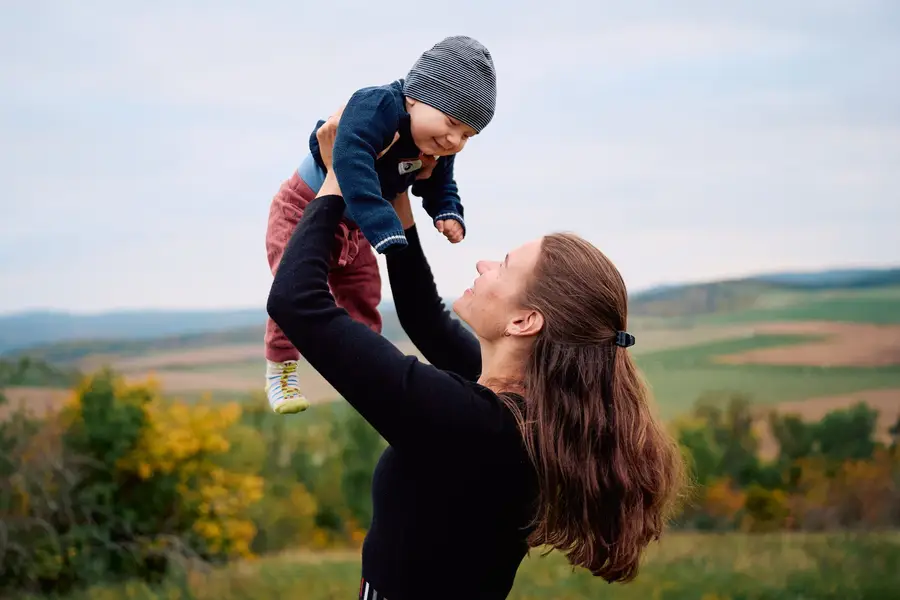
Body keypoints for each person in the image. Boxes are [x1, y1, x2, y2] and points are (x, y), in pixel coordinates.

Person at [266, 114, 688, 599]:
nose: (483, 264)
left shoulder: (469, 425)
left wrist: (341, 176)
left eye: (504, 266)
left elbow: (297, 304)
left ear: (524, 322)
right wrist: (398, 194)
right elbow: (425, 318)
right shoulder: (527, 409)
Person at [263, 35, 497, 415]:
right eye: (452, 122)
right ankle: (281, 369)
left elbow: (437, 180)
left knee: (364, 292)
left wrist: (447, 211)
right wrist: (384, 224)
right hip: (305, 207)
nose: (455, 139)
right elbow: (350, 159)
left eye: (468, 135)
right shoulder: (376, 106)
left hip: (358, 226)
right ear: (416, 96)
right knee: (295, 290)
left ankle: (363, 363)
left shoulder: (432, 144)